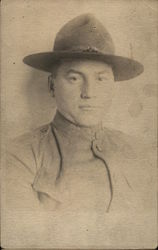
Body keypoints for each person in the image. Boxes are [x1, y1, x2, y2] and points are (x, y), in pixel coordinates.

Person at [3, 13, 157, 248]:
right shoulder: (17, 156)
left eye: (101, 79)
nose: (89, 92)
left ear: (113, 87)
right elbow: (24, 241)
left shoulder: (141, 154)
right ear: (52, 86)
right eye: (74, 78)